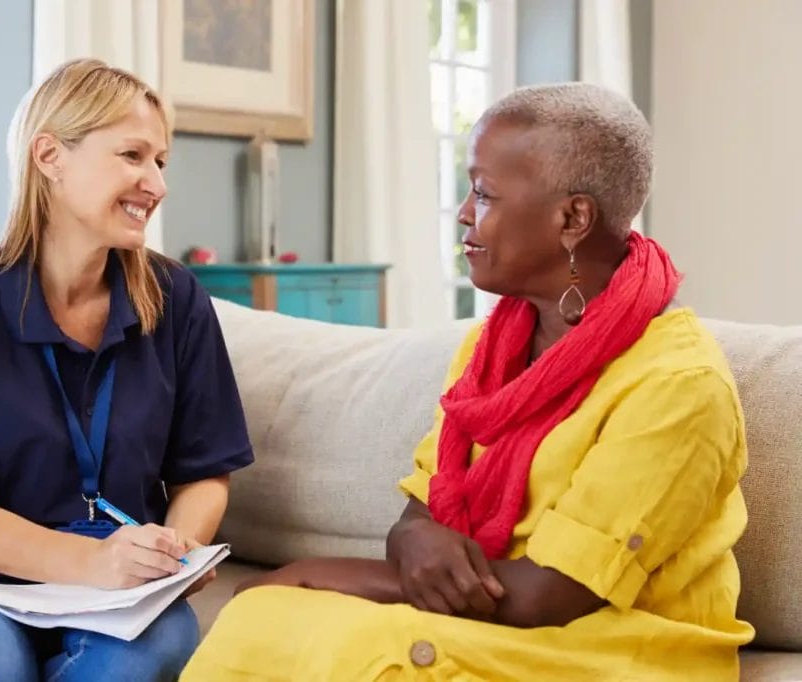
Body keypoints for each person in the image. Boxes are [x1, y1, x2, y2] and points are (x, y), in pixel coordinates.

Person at [181, 82, 754, 681]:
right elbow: (420, 511)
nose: (461, 212)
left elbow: (548, 595)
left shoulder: (678, 385)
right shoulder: (494, 347)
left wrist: (326, 572)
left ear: (573, 218)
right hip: (499, 623)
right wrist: (415, 543)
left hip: (611, 649)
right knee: (265, 618)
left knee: (352, 645)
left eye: (483, 193)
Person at [0, 58, 254, 682]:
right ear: (50, 156)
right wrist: (92, 562)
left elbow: (206, 474)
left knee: (146, 652)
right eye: (132, 155)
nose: (155, 184)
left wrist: (175, 554)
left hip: (118, 589)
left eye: (161, 162)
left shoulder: (177, 298)